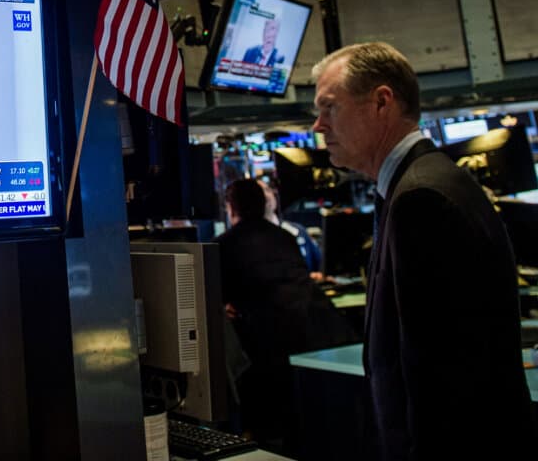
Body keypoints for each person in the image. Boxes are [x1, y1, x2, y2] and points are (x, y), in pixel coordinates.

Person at [311, 42, 535, 458]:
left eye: (329, 108)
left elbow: (438, 378)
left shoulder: (422, 199)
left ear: (381, 102)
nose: (317, 126)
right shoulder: (423, 181)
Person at [217, 178, 355, 452]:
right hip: (314, 341)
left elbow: (219, 298)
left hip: (266, 354)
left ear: (231, 208)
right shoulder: (285, 237)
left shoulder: (223, 245)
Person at [259, 178, 323, 276]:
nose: (266, 195)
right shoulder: (249, 241)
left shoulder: (297, 230)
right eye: (259, 192)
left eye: (267, 190)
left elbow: (321, 266)